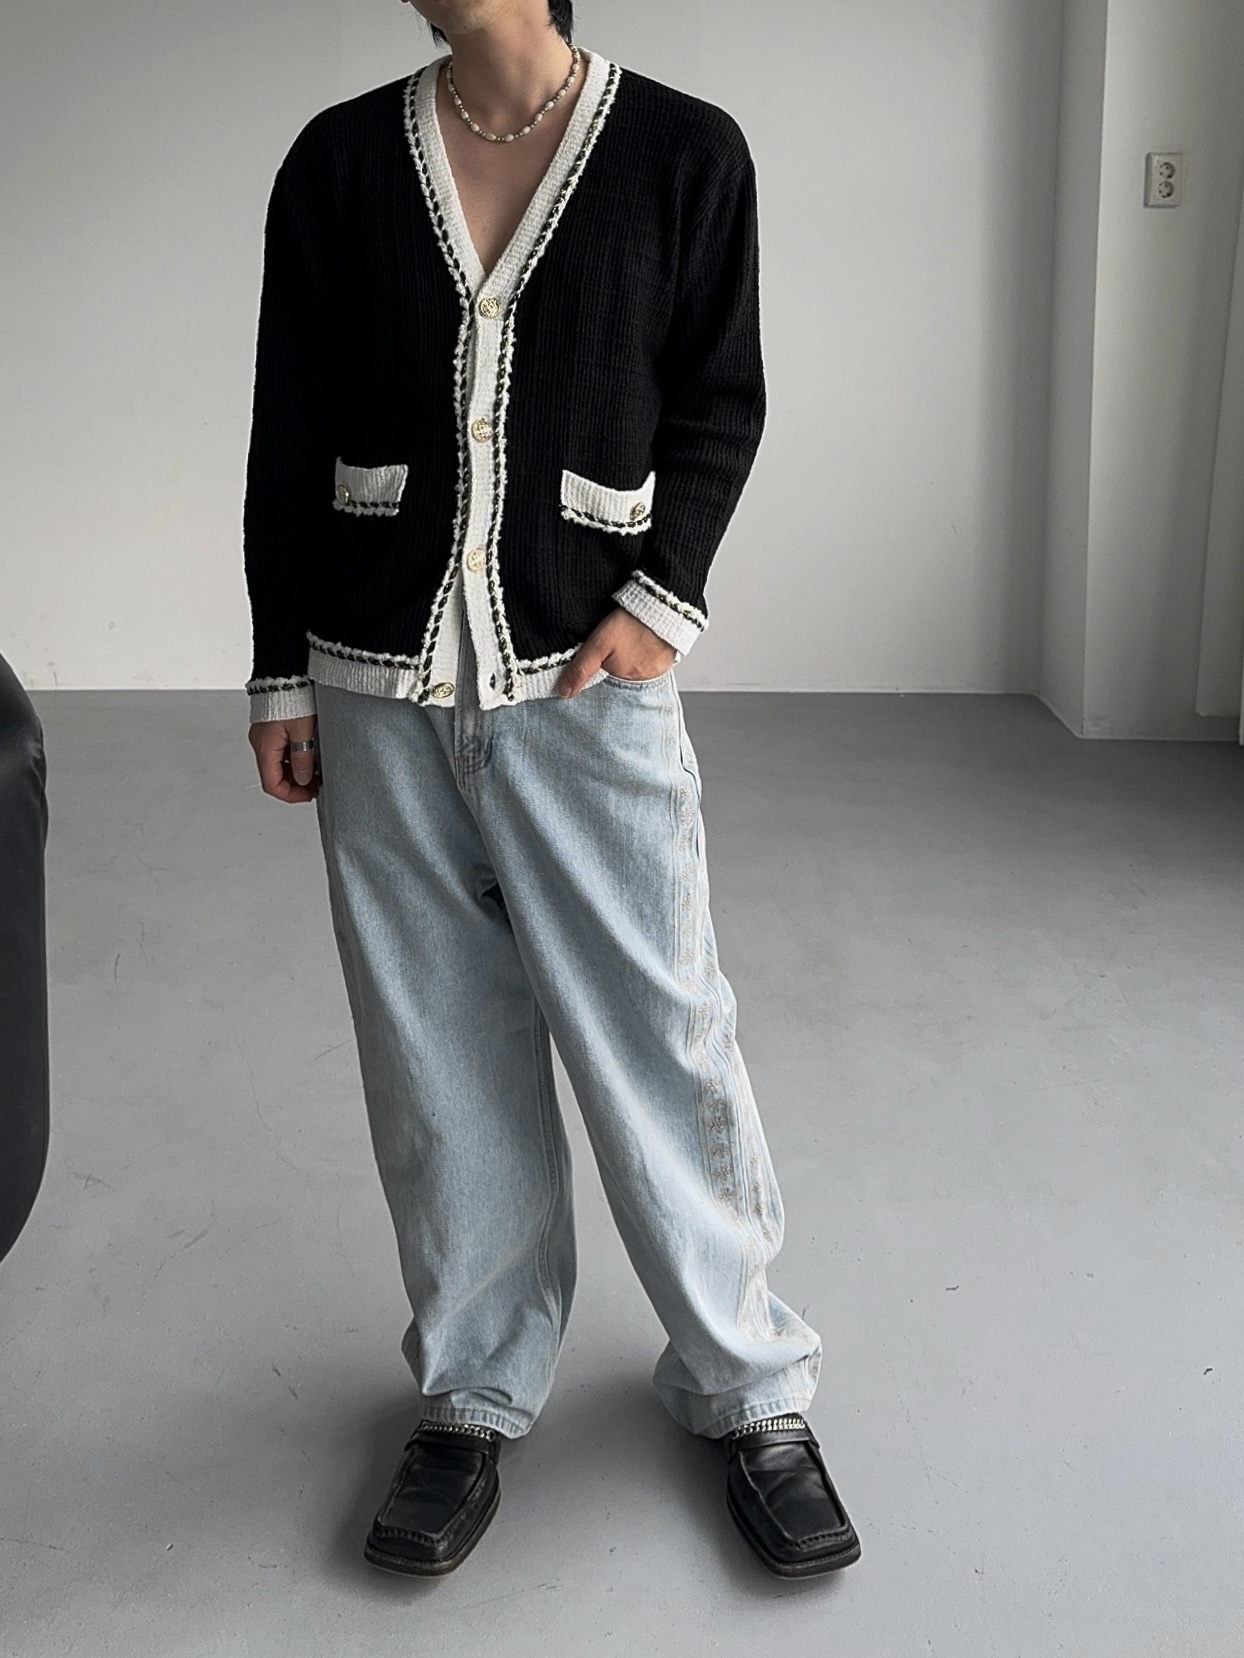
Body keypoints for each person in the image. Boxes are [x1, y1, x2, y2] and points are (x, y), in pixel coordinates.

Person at [243, 0, 860, 1580]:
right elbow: (289, 424)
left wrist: (662, 601)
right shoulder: (336, 164)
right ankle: (472, 1385)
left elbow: (719, 396)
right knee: (435, 1047)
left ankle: (749, 1384)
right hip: (375, 679)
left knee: (662, 1024)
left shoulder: (682, 154)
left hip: (587, 680)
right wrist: (279, 671)